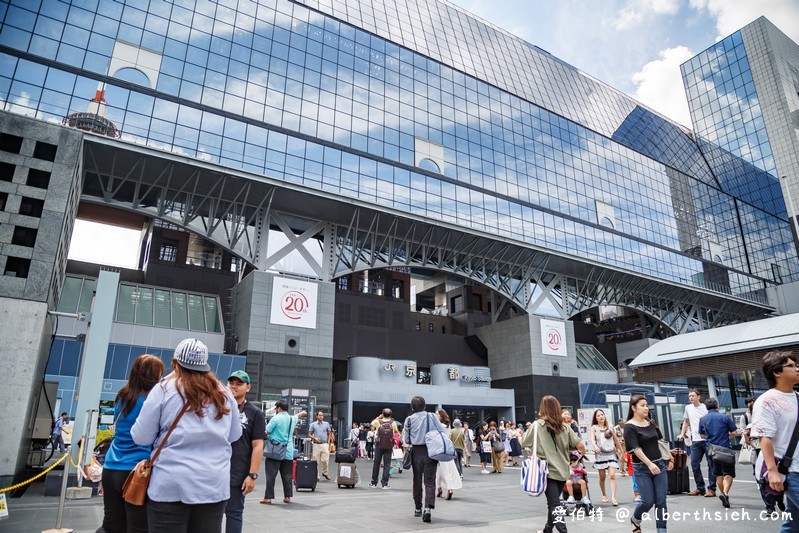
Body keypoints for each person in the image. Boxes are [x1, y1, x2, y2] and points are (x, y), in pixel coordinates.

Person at [131, 338, 241, 532]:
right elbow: (234, 435)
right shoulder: (224, 393)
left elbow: (141, 437)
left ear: (175, 363)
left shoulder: (164, 389)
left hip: (170, 485)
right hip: (213, 486)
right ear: (205, 364)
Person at [99, 354, 164, 533]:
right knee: (138, 527)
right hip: (135, 472)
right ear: (152, 376)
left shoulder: (123, 396)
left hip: (111, 468)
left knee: (112, 524)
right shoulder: (150, 402)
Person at [521, 395, 586, 533]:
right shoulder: (565, 427)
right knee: (554, 502)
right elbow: (580, 445)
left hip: (545, 471)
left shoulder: (537, 426)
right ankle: (547, 530)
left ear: (542, 409)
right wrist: (579, 457)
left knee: (554, 504)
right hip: (563, 470)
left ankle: (563, 531)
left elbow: (524, 442)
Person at [751, 350, 799, 532]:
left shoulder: (797, 397)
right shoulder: (766, 401)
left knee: (794, 524)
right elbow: (765, 437)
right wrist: (772, 471)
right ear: (777, 372)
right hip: (790, 471)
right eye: (792, 366)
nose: (797, 369)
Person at [623, 395, 673, 533]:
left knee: (661, 501)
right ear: (633, 408)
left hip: (660, 466)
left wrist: (670, 458)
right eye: (642, 405)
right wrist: (649, 464)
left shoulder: (651, 423)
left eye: (646, 405)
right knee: (647, 501)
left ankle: (662, 530)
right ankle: (635, 519)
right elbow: (635, 449)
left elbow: (661, 441)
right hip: (642, 468)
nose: (646, 408)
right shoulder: (629, 427)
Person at [225, 370, 265, 533]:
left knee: (234, 514)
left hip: (237, 474)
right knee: (208, 515)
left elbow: (258, 446)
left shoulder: (255, 413)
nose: (234, 386)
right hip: (213, 471)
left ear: (248, 387)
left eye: (239, 383)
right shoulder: (218, 406)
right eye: (231, 383)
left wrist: (252, 475)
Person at [402, 395, 444, 523]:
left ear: (412, 407)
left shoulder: (409, 420)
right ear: (425, 406)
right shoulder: (432, 416)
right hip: (430, 451)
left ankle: (417, 508)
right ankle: (428, 508)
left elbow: (407, 440)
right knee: (430, 481)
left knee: (417, 480)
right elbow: (441, 431)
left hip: (416, 452)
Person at [260, 399, 306, 505]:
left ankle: (268, 498)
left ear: (279, 408)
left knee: (271, 475)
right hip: (288, 451)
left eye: (276, 408)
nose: (276, 410)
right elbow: (297, 416)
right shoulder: (291, 419)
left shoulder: (275, 419)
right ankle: (287, 496)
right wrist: (303, 413)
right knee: (287, 475)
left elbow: (266, 432)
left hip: (275, 451)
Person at [698, 397, 738, 509]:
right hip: (725, 449)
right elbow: (734, 432)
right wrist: (727, 434)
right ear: (717, 406)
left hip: (712, 451)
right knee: (728, 474)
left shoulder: (703, 419)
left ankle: (723, 494)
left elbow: (701, 435)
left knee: (718, 475)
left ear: (706, 407)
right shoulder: (724, 417)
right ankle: (725, 493)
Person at [677, 389, 716, 497]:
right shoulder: (688, 408)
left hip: (707, 440)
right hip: (695, 441)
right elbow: (686, 421)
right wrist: (682, 433)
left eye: (693, 396)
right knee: (694, 464)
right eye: (689, 396)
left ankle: (712, 489)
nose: (691, 398)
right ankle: (700, 488)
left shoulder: (705, 407)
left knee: (711, 465)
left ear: (699, 397)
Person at [589, 409, 622, 505]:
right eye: (598, 415)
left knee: (612, 475)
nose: (601, 417)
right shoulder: (594, 428)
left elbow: (616, 440)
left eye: (602, 415)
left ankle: (613, 498)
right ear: (595, 418)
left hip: (611, 454)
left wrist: (621, 451)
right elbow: (592, 439)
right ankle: (604, 494)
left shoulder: (610, 427)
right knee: (602, 477)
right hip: (600, 455)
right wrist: (595, 447)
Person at [434, 409, 461, 500]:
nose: (436, 415)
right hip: (447, 450)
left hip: (439, 450)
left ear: (441, 416)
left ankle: (445, 488)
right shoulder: (447, 426)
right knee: (445, 470)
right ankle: (440, 489)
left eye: (437, 414)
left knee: (440, 471)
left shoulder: (438, 425)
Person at [369, 408, 399, 489]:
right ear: (391, 415)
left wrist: (379, 417)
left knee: (376, 464)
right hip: (389, 446)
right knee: (387, 465)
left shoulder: (378, 421)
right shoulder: (393, 423)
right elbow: (396, 432)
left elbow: (371, 423)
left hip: (379, 445)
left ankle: (374, 483)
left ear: (382, 414)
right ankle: (384, 484)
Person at [308, 411, 333, 481]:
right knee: (316, 461)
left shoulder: (326, 424)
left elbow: (329, 433)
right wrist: (314, 438)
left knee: (325, 460)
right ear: (317, 416)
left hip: (324, 444)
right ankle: (316, 475)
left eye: (322, 415)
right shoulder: (313, 424)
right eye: (319, 415)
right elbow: (309, 434)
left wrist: (328, 443)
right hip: (316, 445)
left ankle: (325, 473)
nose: (321, 417)